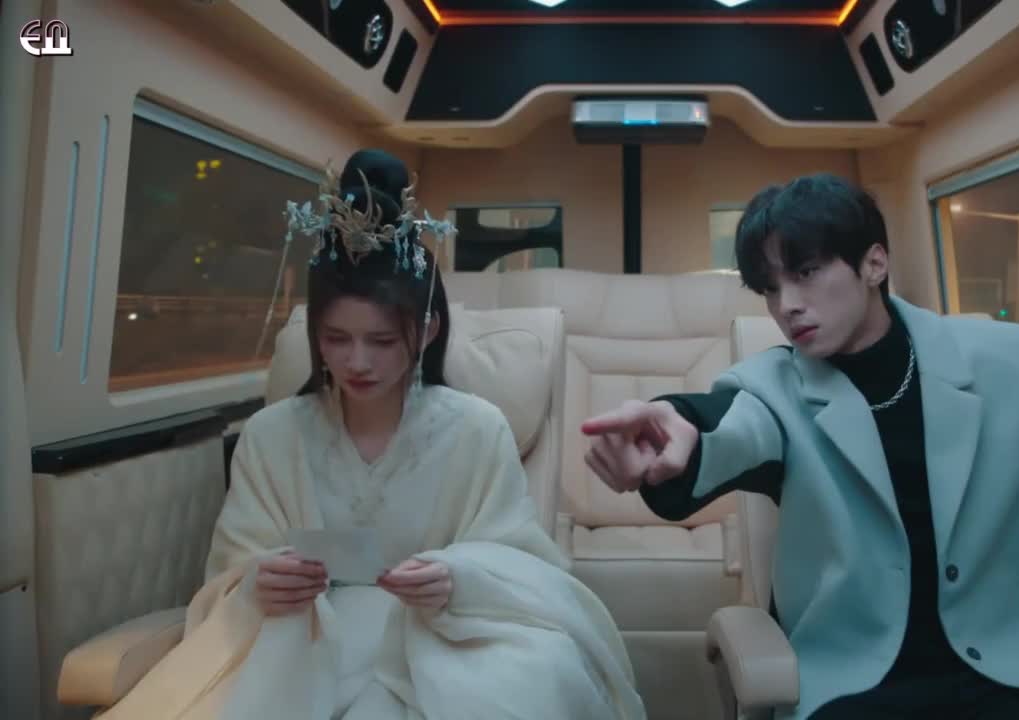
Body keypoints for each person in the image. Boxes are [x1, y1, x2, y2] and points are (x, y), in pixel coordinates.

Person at [581, 173, 1019, 720]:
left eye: (806, 272)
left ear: (874, 262)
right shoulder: (772, 387)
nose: (786, 304)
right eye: (770, 288)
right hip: (859, 686)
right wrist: (672, 431)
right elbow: (723, 426)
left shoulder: (1007, 362)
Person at [101, 150, 645, 720]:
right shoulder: (272, 435)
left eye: (382, 341)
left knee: (542, 679)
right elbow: (231, 574)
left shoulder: (478, 429)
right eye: (336, 339)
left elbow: (525, 566)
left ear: (427, 331)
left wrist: (458, 580)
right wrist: (262, 581)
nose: (357, 362)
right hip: (305, 641)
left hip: (442, 635)